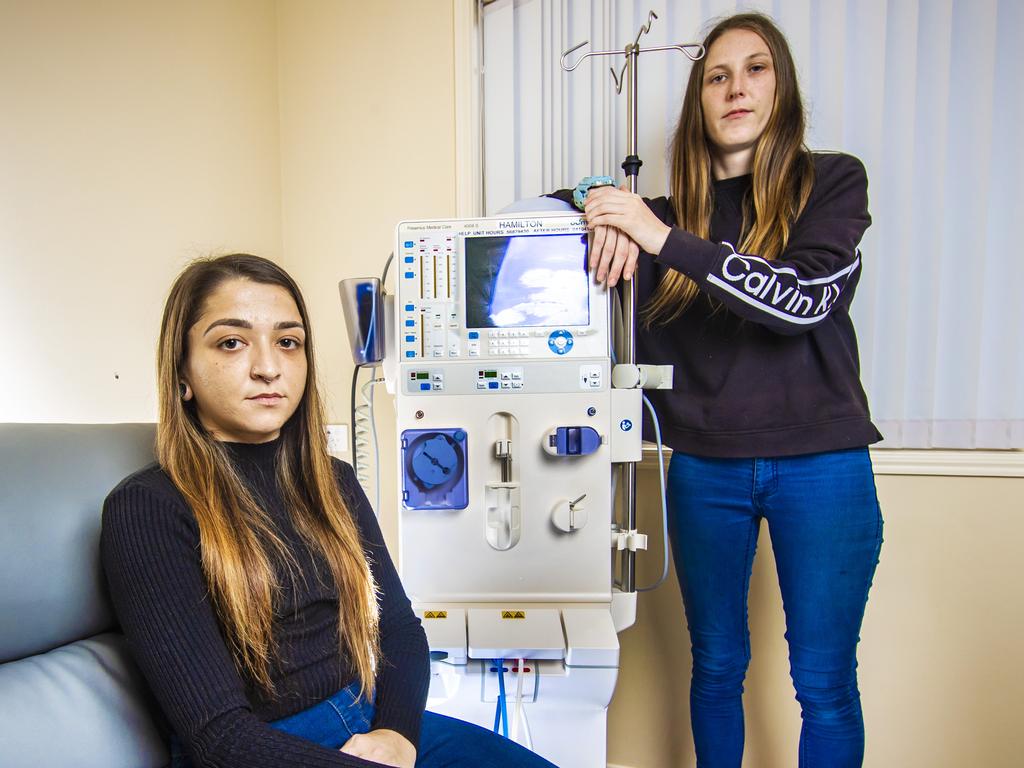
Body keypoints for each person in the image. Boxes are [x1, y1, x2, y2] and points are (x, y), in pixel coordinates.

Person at [551, 12, 883, 768]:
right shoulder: (663, 218)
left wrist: (656, 236)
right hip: (704, 467)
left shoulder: (832, 182)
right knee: (717, 667)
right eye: (717, 75)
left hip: (822, 463)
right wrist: (599, 199)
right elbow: (541, 212)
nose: (736, 87)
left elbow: (800, 302)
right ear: (699, 101)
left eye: (755, 68)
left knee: (824, 683)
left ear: (783, 88)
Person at [101, 254, 557, 768]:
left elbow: (400, 630)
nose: (268, 367)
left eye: (287, 342)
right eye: (232, 342)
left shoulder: (332, 481)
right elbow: (218, 737)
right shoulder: (148, 509)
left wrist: (397, 734)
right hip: (262, 753)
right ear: (182, 371)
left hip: (368, 725)